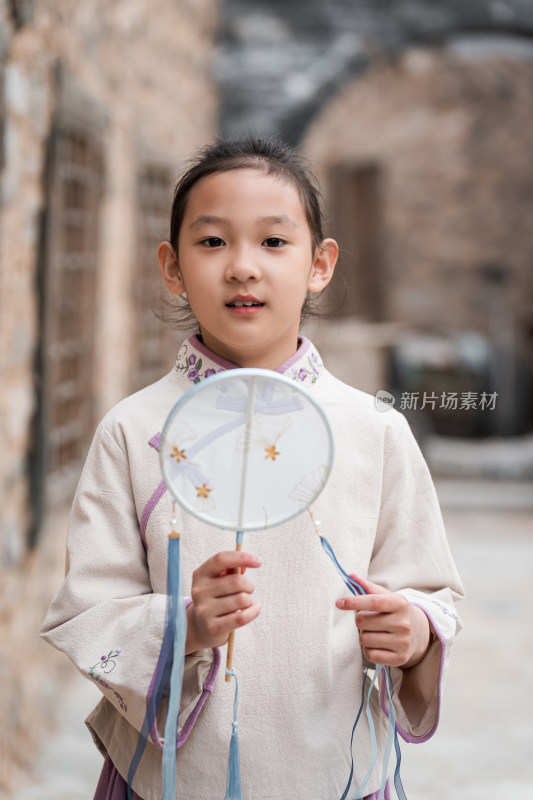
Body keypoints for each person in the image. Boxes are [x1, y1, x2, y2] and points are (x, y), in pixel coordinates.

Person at [41, 137, 464, 800]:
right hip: (172, 779)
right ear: (171, 267)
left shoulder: (374, 430)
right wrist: (185, 623)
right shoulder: (132, 431)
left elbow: (429, 591)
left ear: (319, 264)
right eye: (211, 243)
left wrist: (411, 632)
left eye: (273, 242)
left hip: (339, 771)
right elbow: (87, 611)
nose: (242, 267)